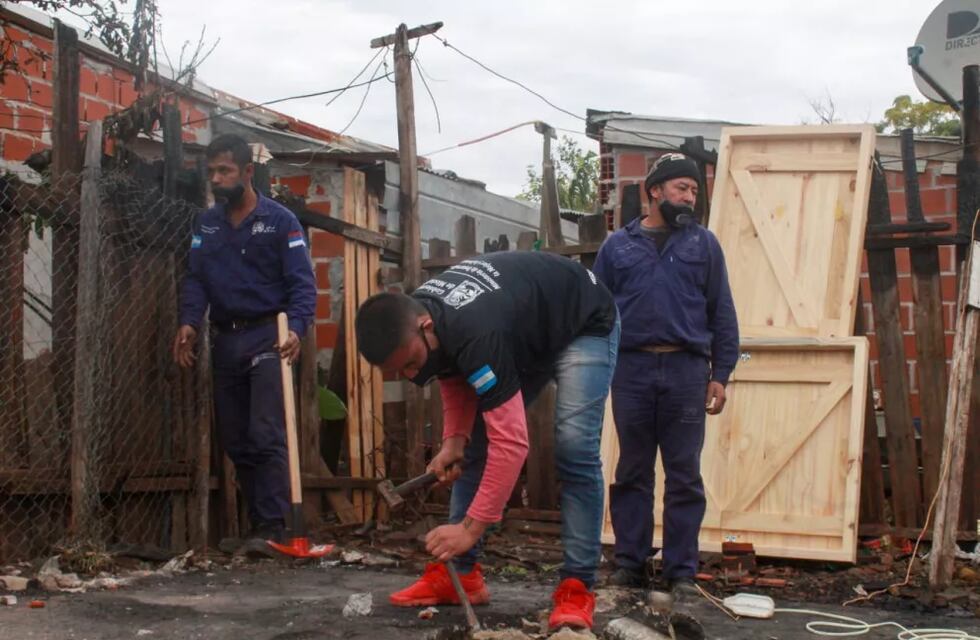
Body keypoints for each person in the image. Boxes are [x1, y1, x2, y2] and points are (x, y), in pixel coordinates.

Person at [354, 251, 619, 631]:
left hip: (583, 319)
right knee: (474, 445)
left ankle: (577, 586)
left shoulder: (474, 330)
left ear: (426, 326)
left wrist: (469, 529)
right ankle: (461, 576)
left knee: (574, 448)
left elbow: (511, 444)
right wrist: (453, 441)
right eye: (399, 372)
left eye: (411, 363)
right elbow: (451, 370)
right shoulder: (428, 320)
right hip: (528, 328)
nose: (412, 375)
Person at [593, 153, 739, 595]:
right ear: (654, 191)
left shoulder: (704, 245)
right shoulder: (617, 247)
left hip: (686, 370)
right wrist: (596, 370)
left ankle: (681, 572)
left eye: (694, 190)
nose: (690, 197)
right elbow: (596, 312)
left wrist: (722, 373)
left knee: (684, 474)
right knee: (632, 472)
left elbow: (722, 312)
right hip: (632, 370)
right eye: (681, 188)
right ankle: (630, 564)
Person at [172, 133, 316, 550]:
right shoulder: (207, 224)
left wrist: (297, 328)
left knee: (266, 432)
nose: (217, 179)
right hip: (226, 340)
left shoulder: (281, 222)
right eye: (212, 172)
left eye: (225, 171)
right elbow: (196, 278)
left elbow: (303, 284)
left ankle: (276, 527)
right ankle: (260, 526)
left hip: (269, 337)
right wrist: (189, 322)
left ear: (248, 172)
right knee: (236, 439)